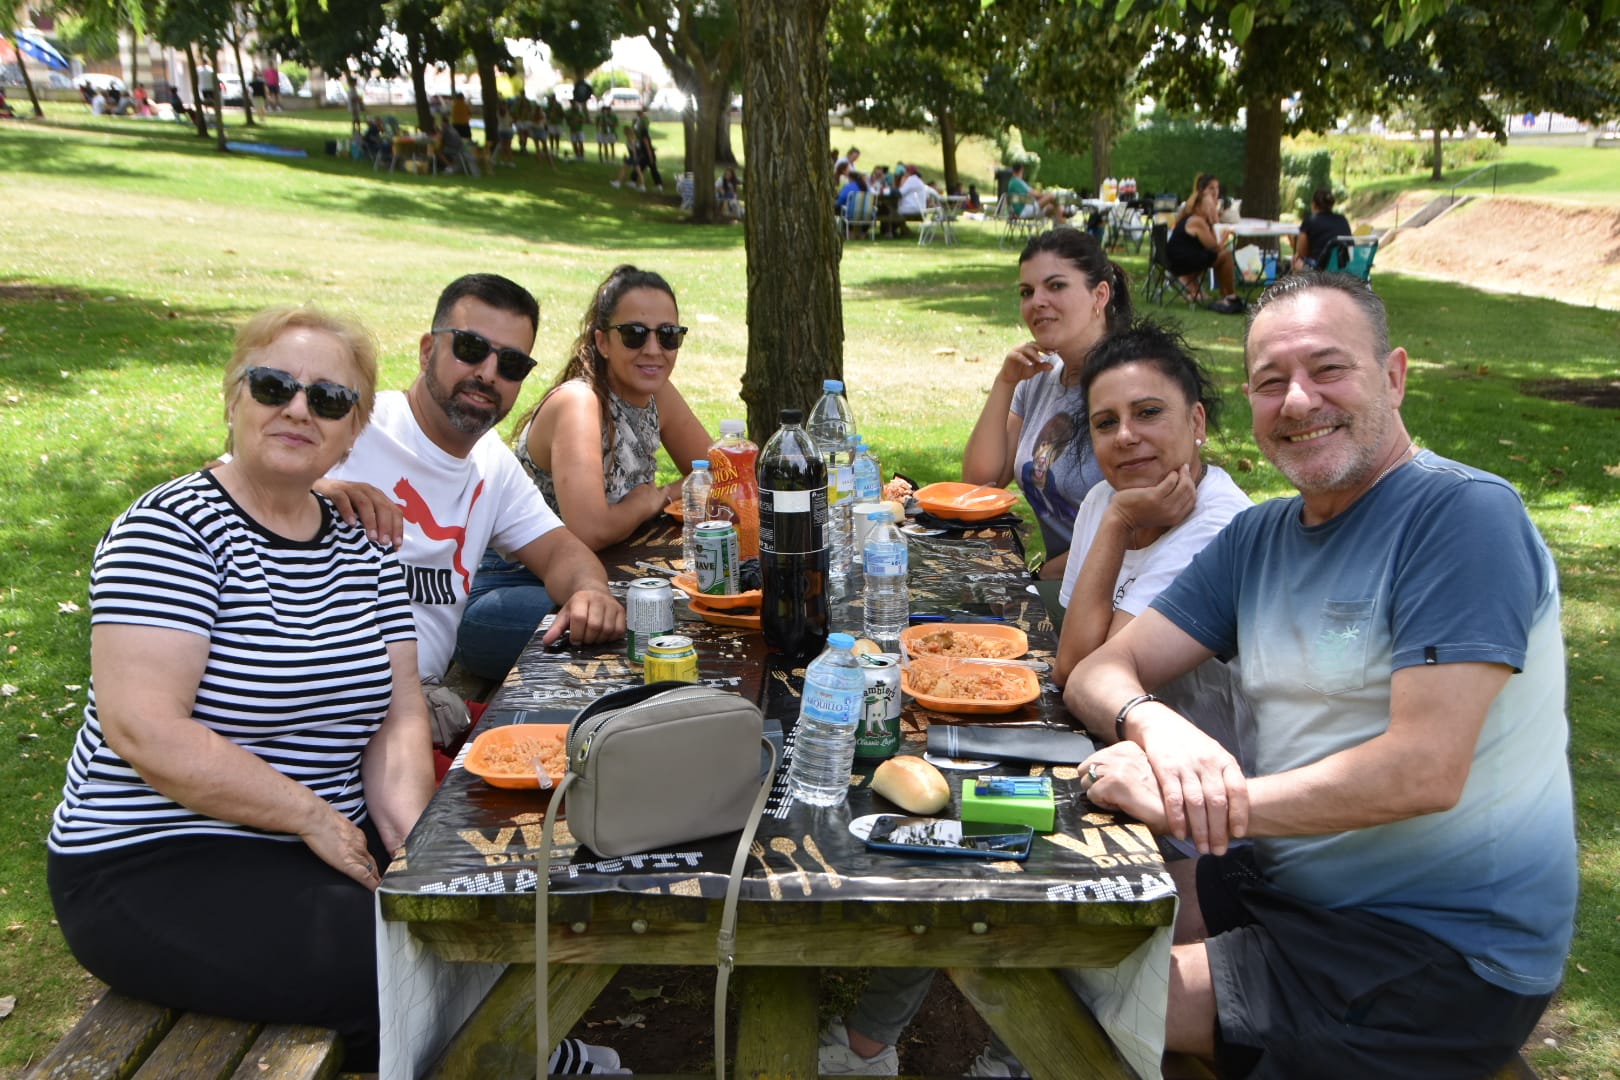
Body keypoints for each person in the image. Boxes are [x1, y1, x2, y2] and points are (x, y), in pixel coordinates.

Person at [1067, 273, 1575, 1078]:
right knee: (1064, 921)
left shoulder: (1463, 518)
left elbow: (1423, 770)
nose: (1298, 401)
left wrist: (1199, 805)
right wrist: (1152, 720)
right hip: (1291, 884)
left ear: (1395, 375)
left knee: (1107, 990)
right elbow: (1097, 671)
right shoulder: (1260, 538)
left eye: (1327, 370)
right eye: (1271, 383)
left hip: (1435, 948)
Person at [821, 320, 1251, 1080]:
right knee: (938, 801)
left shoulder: (1217, 527)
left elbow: (1086, 668)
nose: (1127, 438)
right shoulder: (1111, 502)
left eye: (1149, 413)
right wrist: (1109, 522)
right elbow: (1071, 661)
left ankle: (997, 1050)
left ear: (1199, 421)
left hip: (1184, 807)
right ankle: (914, 1042)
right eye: (1106, 421)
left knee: (973, 848)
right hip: (1101, 751)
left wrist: (1117, 521)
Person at [46, 307, 435, 1072]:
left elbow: (399, 716)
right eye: (273, 385)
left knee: (460, 920)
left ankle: (518, 1049)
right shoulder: (169, 531)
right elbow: (144, 731)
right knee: (392, 964)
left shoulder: (366, 545)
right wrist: (311, 816)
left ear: (354, 431)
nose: (298, 408)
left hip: (314, 852)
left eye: (330, 399)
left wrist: (419, 850)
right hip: (154, 857)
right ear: (233, 398)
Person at [320, 273, 625, 714]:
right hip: (318, 704)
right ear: (428, 350)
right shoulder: (353, 425)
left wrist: (590, 591)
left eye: (512, 364)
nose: (487, 373)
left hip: (413, 705)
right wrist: (313, 487)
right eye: (470, 348)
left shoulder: (491, 464)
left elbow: (561, 552)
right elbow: (223, 484)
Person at [458, 265, 712, 680]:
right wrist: (651, 498)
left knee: (672, 612)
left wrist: (661, 495)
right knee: (655, 624)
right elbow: (589, 530)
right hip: (507, 590)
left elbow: (716, 471)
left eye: (668, 335)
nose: (653, 349)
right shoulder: (579, 401)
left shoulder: (654, 392)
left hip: (588, 578)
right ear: (602, 341)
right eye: (634, 334)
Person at [961, 227, 1131, 586]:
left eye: (1055, 286)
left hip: (1120, 586)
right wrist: (1005, 383)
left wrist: (1037, 578)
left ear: (1100, 294)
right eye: (1027, 291)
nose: (1037, 301)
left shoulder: (1129, 385)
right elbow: (979, 484)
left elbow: (1140, 526)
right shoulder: (1039, 375)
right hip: (1060, 581)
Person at [1167, 173, 1244, 315]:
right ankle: (1230, 296)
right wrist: (1224, 233)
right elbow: (1214, 247)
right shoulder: (1197, 221)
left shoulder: (1191, 217)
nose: (1211, 210)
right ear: (1199, 206)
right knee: (1225, 255)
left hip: (1177, 260)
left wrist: (1213, 222)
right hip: (1182, 263)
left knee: (1220, 256)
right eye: (1209, 207)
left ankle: (1226, 295)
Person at [1292, 186, 1353, 272]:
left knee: (1296, 261)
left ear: (1314, 204)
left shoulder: (1310, 221)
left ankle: (1301, 285)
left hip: (1320, 272)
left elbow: (1302, 253)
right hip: (1343, 269)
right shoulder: (1342, 220)